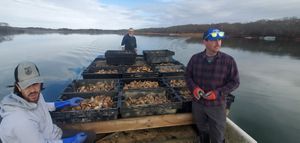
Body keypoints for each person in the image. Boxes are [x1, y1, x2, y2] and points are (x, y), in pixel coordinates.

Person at [0, 62, 95, 143]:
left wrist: (67, 102)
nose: (33, 90)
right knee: (89, 137)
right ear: (18, 87)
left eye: (35, 83)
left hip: (52, 133)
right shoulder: (20, 121)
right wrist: (72, 140)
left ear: (40, 82)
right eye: (27, 86)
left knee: (90, 135)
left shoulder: (34, 96)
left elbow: (44, 106)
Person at [185, 28, 240, 143]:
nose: (218, 43)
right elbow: (187, 76)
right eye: (214, 40)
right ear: (205, 42)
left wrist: (217, 93)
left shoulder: (228, 61)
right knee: (202, 130)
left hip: (217, 106)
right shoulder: (195, 59)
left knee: (217, 135)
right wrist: (194, 88)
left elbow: (235, 82)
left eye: (219, 40)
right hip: (198, 104)